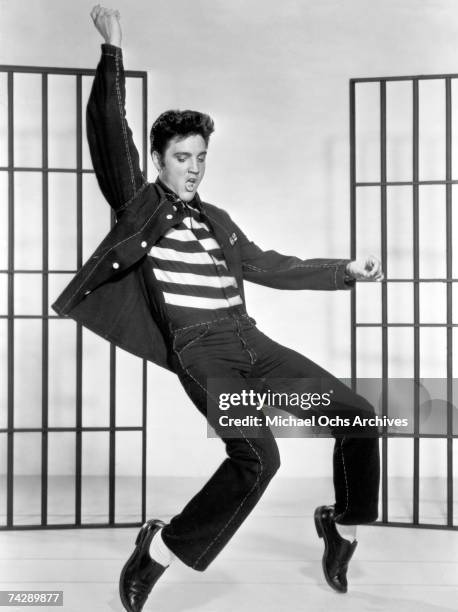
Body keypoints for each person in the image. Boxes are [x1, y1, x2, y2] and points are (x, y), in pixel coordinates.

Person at [52, 6, 383, 611]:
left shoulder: (218, 221)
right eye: (183, 157)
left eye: (201, 157)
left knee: (359, 416)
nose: (194, 168)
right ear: (159, 160)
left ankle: (342, 524)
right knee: (259, 457)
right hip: (202, 350)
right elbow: (109, 129)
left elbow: (266, 265)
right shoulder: (140, 206)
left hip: (251, 343)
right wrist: (113, 51)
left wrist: (343, 270)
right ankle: (158, 551)